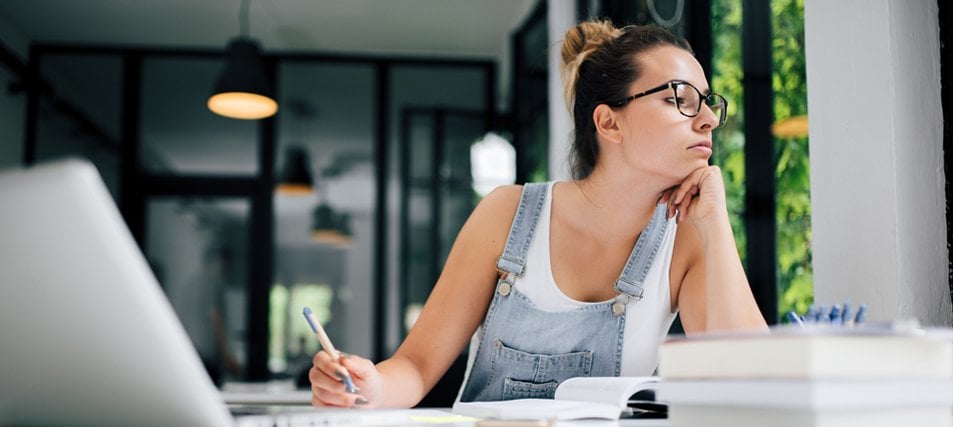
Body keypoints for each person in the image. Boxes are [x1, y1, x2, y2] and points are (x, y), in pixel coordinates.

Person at [309, 19, 768, 408]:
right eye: (680, 98)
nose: (707, 118)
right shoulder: (507, 215)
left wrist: (715, 223)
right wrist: (368, 388)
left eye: (708, 102)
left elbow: (757, 388)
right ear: (609, 122)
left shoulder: (687, 237)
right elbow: (416, 366)